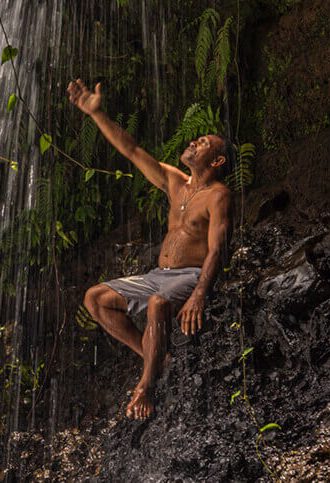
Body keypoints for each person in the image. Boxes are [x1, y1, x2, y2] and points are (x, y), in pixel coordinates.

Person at [68, 79, 232, 420]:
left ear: (216, 161)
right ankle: (153, 355)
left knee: (158, 304)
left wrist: (200, 294)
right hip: (158, 275)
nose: (193, 143)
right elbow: (131, 150)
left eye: (202, 143)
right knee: (95, 298)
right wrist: (97, 115)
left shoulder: (218, 195)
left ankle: (145, 386)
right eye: (196, 139)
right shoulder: (175, 183)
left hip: (189, 275)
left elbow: (217, 249)